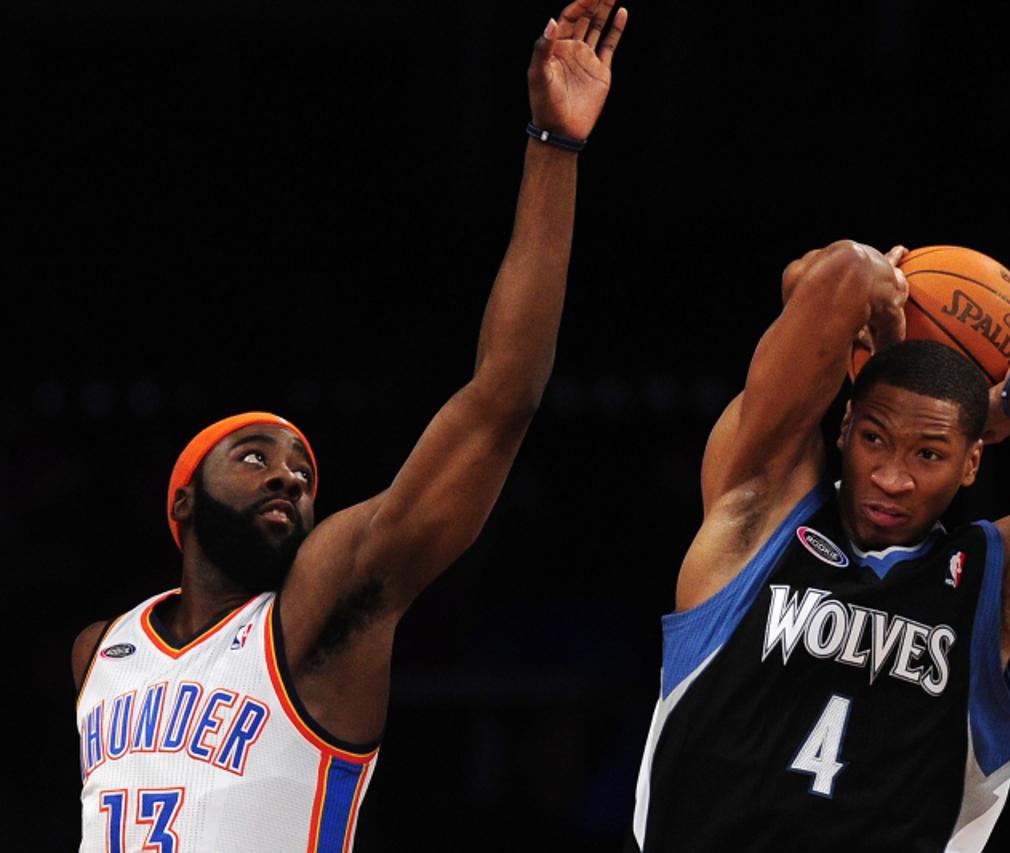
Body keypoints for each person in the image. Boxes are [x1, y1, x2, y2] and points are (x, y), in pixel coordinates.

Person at [71, 2, 627, 850]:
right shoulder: (98, 653)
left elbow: (499, 400)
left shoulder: (315, 615)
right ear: (181, 502)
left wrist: (553, 147)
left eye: (301, 469)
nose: (289, 476)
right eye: (255, 456)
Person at [629, 241, 1010, 851]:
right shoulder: (758, 511)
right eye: (876, 438)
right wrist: (886, 297)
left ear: (972, 460)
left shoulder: (994, 584)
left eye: (928, 453)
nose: (892, 477)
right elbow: (840, 273)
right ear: (845, 426)